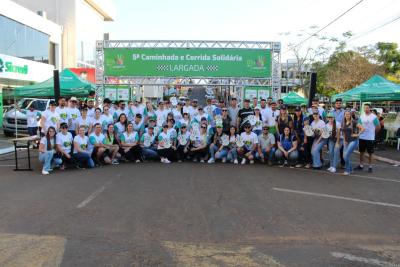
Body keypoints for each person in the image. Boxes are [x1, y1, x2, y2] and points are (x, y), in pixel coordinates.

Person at [356, 104, 381, 173]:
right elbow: (358, 124)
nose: (366, 109)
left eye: (367, 108)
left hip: (370, 138)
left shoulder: (373, 117)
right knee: (361, 152)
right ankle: (361, 165)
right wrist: (360, 129)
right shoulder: (362, 116)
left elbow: (378, 127)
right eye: (365, 108)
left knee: (370, 153)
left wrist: (374, 133)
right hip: (362, 137)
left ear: (370, 109)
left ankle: (370, 166)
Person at [342, 110, 364, 175]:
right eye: (346, 114)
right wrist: (344, 140)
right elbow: (344, 133)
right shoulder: (344, 122)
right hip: (346, 141)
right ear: (344, 115)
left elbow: (362, 128)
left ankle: (347, 170)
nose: (347, 115)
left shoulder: (353, 122)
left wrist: (357, 134)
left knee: (346, 155)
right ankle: (351, 169)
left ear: (350, 115)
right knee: (345, 156)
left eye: (348, 114)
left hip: (354, 140)